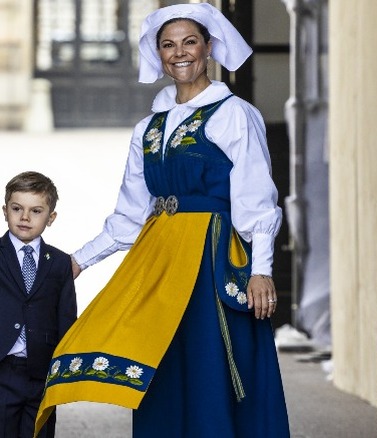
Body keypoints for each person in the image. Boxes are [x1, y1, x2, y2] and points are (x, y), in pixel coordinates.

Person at [34, 3, 289, 437]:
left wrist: (261, 269)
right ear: (159, 54)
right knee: (158, 362)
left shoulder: (234, 115)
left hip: (212, 258)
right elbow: (130, 214)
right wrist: (75, 261)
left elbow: (256, 200)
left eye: (190, 41)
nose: (180, 53)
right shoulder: (148, 129)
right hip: (159, 261)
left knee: (214, 366)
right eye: (168, 45)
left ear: (209, 47)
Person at [0, 171, 77, 438]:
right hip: (3, 369)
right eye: (17, 208)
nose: (24, 217)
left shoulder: (59, 263)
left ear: (51, 217)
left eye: (36, 211)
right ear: (4, 210)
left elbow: (66, 316)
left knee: (39, 432)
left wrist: (62, 368)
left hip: (42, 372)